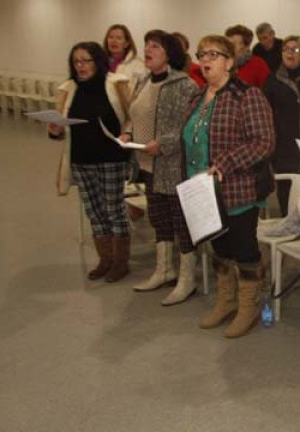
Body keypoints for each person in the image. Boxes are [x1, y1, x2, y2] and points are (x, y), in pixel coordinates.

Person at [184, 35, 275, 338]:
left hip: (238, 189)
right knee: (218, 247)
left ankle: (248, 307)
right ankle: (226, 301)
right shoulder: (197, 97)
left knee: (243, 248)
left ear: (229, 61)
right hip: (202, 190)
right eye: (201, 54)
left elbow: (264, 143)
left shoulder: (247, 95)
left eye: (213, 54)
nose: (205, 60)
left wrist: (225, 162)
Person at [123, 30, 200, 305]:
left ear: (169, 53)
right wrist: (129, 135)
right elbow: (135, 115)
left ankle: (187, 279)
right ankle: (164, 269)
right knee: (159, 218)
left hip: (172, 163)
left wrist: (164, 143)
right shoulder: (144, 81)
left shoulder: (184, 85)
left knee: (181, 221)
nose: (147, 50)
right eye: (146, 45)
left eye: (155, 46)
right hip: (147, 163)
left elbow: (187, 127)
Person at [50, 42, 133, 283]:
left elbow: (131, 117)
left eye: (86, 60)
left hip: (111, 157)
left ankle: (120, 262)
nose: (81, 66)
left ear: (98, 61)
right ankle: (104, 259)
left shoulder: (116, 83)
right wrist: (54, 129)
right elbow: (59, 127)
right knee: (94, 211)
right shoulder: (68, 88)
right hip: (80, 159)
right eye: (76, 61)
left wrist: (127, 134)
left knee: (114, 209)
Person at [262, 35, 300, 215]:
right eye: (286, 49)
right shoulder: (272, 80)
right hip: (283, 147)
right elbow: (266, 113)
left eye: (295, 50)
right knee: (285, 195)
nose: (290, 53)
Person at [103, 24, 147, 90]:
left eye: (118, 38)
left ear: (126, 43)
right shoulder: (100, 62)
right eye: (110, 37)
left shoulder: (138, 65)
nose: (114, 41)